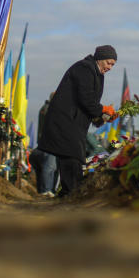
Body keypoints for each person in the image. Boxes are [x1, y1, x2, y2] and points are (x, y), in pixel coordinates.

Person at [38, 45, 117, 196]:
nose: (110, 67)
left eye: (113, 64)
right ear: (99, 59)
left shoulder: (98, 74)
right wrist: (102, 110)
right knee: (72, 156)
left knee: (72, 156)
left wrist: (103, 118)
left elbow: (89, 104)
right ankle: (73, 193)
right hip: (65, 120)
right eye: (108, 62)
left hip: (75, 122)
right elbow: (85, 98)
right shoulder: (84, 68)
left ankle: (68, 192)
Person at [30, 93, 59, 195]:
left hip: (44, 144)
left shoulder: (45, 108)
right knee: (49, 166)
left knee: (47, 167)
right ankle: (46, 191)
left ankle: (43, 190)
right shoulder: (49, 109)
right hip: (49, 144)